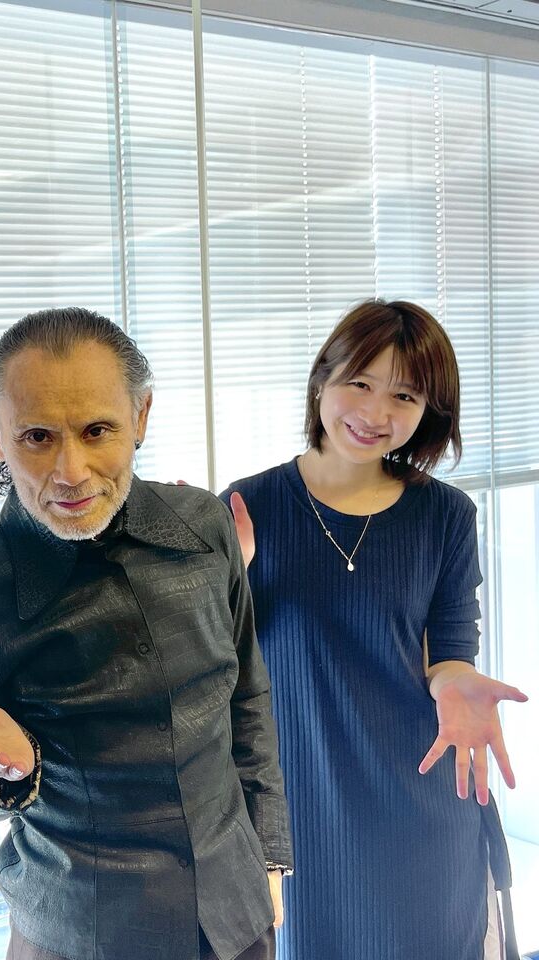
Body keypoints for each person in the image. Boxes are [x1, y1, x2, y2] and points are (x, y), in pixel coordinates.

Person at [0, 307, 292, 960]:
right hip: (79, 927)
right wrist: (5, 767)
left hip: (234, 911)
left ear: (141, 416)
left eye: (97, 430)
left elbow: (247, 697)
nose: (70, 470)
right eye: (37, 437)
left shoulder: (205, 526)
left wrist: (269, 858)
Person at [222, 299, 529, 960]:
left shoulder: (445, 515)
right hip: (303, 812)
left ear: (428, 411)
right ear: (322, 379)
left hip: (422, 808)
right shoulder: (247, 508)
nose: (375, 412)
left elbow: (451, 648)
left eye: (404, 395)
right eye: (359, 383)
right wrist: (224, 577)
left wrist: (457, 681)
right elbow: (210, 664)